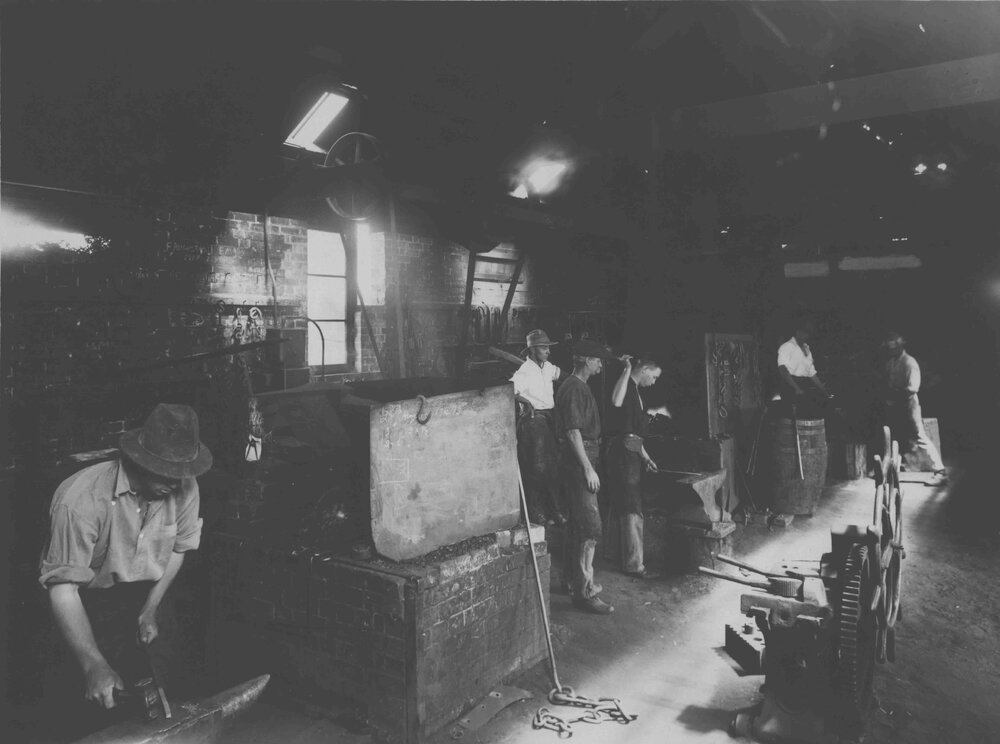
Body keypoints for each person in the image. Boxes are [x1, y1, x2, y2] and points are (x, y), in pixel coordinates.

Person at [38, 403, 213, 735]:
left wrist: (152, 606)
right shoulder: (80, 500)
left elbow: (179, 548)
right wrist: (93, 663)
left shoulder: (184, 485)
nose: (177, 486)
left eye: (181, 475)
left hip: (149, 591)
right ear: (139, 460)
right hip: (86, 601)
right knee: (91, 701)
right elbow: (63, 589)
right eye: (165, 473)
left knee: (162, 693)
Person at [554, 338, 617, 615]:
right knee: (590, 526)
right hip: (580, 461)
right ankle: (585, 592)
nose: (601, 364)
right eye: (598, 360)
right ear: (587, 361)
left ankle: (571, 582)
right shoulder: (573, 388)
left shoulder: (577, 386)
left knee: (576, 526)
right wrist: (587, 468)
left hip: (582, 458)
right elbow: (573, 432)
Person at [607, 355, 670, 579]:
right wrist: (626, 369)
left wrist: (646, 457)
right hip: (623, 455)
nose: (653, 382)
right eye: (653, 376)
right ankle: (634, 565)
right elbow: (616, 403)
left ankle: (620, 557)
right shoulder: (627, 386)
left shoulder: (636, 392)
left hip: (631, 452)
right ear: (643, 369)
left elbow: (633, 435)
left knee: (627, 505)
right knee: (631, 507)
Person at [510, 329, 565, 526]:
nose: (548, 351)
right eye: (543, 348)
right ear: (532, 350)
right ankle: (536, 513)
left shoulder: (548, 367)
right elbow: (509, 391)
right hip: (533, 421)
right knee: (537, 468)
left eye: (548, 348)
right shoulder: (524, 371)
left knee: (553, 467)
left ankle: (555, 510)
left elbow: (565, 377)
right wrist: (526, 401)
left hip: (550, 418)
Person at [881, 332, 946, 477]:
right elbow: (888, 383)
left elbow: (913, 388)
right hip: (895, 405)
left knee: (919, 435)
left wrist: (895, 394)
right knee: (896, 435)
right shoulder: (891, 363)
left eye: (892, 348)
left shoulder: (909, 363)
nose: (890, 351)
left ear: (899, 347)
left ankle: (939, 469)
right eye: (888, 349)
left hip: (909, 404)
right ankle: (897, 467)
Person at [776, 318, 833, 418]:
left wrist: (825, 392)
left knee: (808, 414)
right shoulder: (787, 346)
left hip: (803, 384)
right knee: (793, 417)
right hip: (789, 386)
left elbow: (812, 373)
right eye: (805, 333)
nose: (807, 336)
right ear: (798, 332)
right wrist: (796, 388)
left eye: (808, 334)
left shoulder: (807, 349)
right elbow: (783, 369)